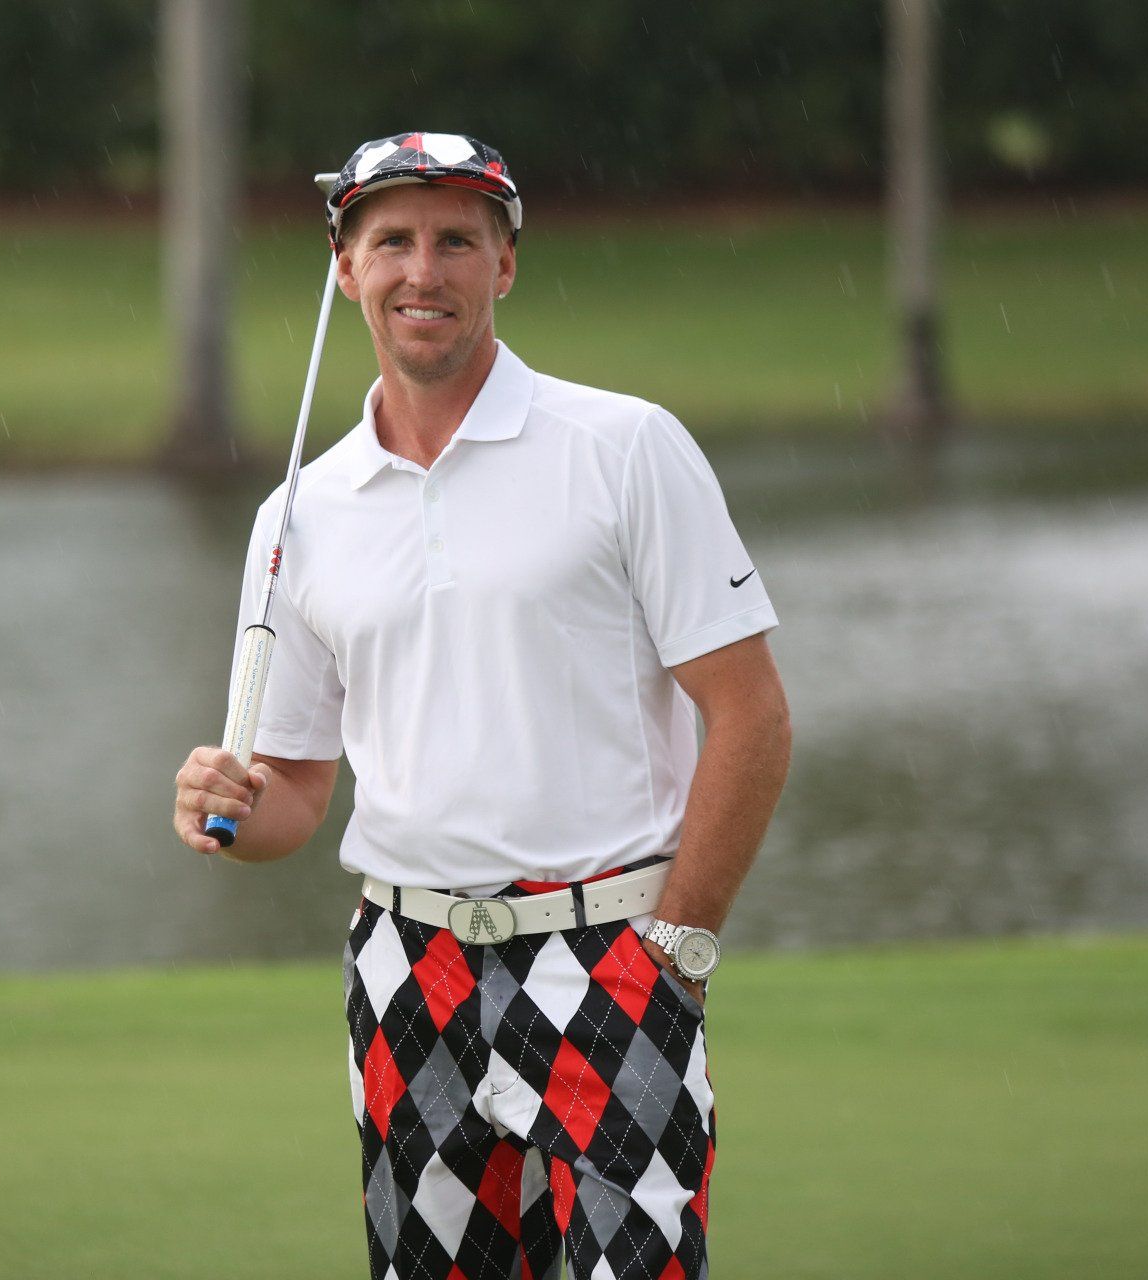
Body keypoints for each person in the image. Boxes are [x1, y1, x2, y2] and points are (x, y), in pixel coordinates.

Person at [171, 131, 791, 1280]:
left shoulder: (624, 447)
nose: (426, 270)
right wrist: (223, 807)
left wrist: (680, 947)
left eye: (459, 239)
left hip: (610, 947)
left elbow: (750, 714)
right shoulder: (301, 512)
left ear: (505, 263)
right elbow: (295, 795)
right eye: (392, 240)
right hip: (406, 967)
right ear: (344, 265)